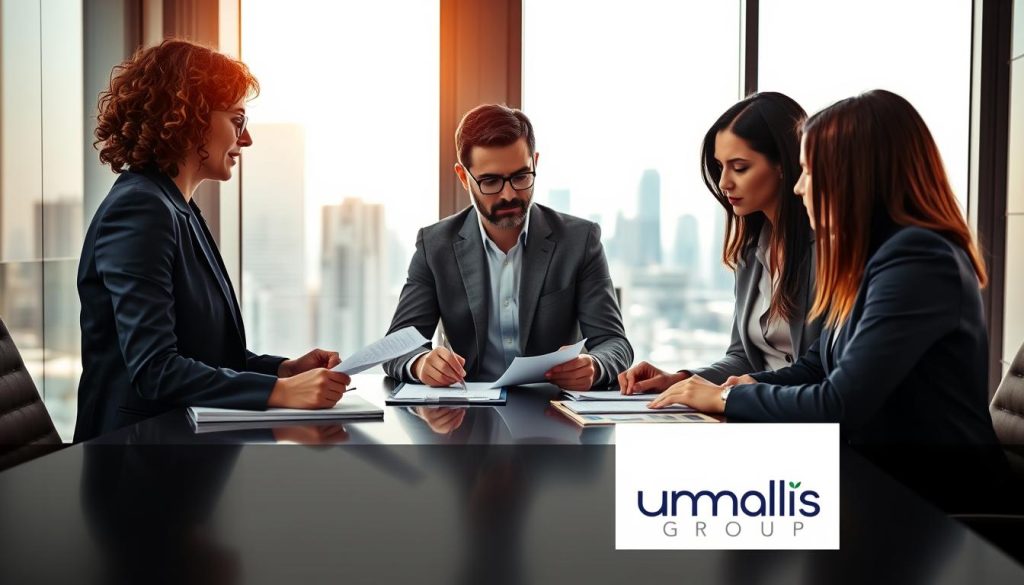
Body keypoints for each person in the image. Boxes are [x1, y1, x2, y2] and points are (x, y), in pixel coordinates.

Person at [648, 90, 999, 445]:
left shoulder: (918, 260)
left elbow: (839, 403)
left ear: (858, 177)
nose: (799, 188)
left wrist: (725, 398)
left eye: (811, 172)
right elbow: (816, 366)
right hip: (872, 472)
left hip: (927, 491)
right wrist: (745, 384)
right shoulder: (872, 256)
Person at [75, 40, 349, 442]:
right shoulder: (140, 209)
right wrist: (281, 393)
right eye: (238, 120)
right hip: (133, 464)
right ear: (189, 117)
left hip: (181, 451)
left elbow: (204, 356)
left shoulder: (177, 208)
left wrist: (282, 370)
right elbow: (155, 369)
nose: (247, 138)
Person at [382, 104, 632, 390]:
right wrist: (421, 363)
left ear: (535, 163)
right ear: (464, 177)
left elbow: (615, 343)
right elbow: (396, 346)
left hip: (554, 411)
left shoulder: (579, 241)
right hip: (465, 417)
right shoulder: (435, 246)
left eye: (521, 177)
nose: (509, 194)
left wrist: (595, 366)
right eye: (490, 181)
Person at [619, 92, 819, 394]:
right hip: (754, 409)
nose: (724, 182)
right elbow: (743, 358)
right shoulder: (751, 252)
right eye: (720, 166)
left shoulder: (826, 250)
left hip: (797, 412)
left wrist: (735, 395)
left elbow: (826, 370)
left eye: (739, 167)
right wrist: (680, 379)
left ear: (783, 164)